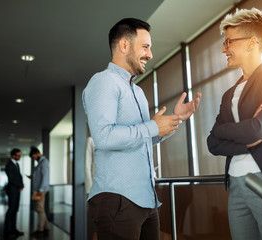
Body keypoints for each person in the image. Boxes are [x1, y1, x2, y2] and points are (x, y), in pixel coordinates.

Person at [83, 18, 201, 240]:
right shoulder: (104, 82)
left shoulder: (136, 91)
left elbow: (141, 138)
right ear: (124, 45)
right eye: (145, 47)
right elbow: (104, 137)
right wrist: (151, 127)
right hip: (117, 199)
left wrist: (174, 120)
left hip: (146, 199)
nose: (150, 54)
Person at [207, 8, 262, 240]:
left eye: (229, 42)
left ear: (251, 42)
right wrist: (247, 143)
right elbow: (212, 142)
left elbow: (260, 128)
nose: (224, 49)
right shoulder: (228, 94)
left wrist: (227, 132)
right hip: (235, 183)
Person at [29, 146, 50, 236]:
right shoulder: (40, 162)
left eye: (34, 157)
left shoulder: (44, 162)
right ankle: (47, 226)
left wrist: (40, 189)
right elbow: (40, 175)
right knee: (40, 208)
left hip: (40, 190)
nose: (34, 159)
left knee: (39, 208)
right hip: (38, 189)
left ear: (37, 154)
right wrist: (32, 176)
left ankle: (40, 228)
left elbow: (45, 177)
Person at [4, 148, 24, 237]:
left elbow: (18, 176)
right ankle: (7, 230)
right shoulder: (9, 165)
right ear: (13, 156)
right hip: (12, 190)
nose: (20, 157)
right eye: (18, 155)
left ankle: (13, 229)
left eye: (20, 155)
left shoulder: (16, 164)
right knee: (11, 210)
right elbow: (11, 179)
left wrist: (21, 185)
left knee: (15, 210)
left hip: (17, 190)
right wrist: (20, 185)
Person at [84, 131, 97, 240]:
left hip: (114, 189)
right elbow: (87, 167)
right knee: (96, 224)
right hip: (96, 189)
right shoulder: (91, 140)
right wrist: (89, 189)